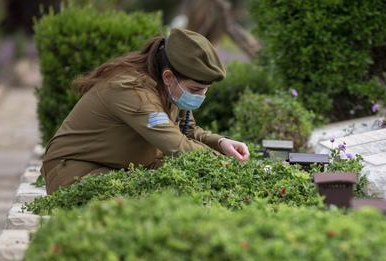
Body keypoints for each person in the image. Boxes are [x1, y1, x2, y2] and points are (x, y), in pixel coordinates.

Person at [40, 28, 250, 194]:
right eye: (195, 89)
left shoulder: (168, 86)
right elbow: (176, 145)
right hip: (77, 175)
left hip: (119, 169)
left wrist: (221, 143)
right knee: (168, 200)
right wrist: (231, 168)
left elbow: (187, 130)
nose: (200, 96)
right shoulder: (131, 90)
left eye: (205, 90)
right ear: (168, 76)